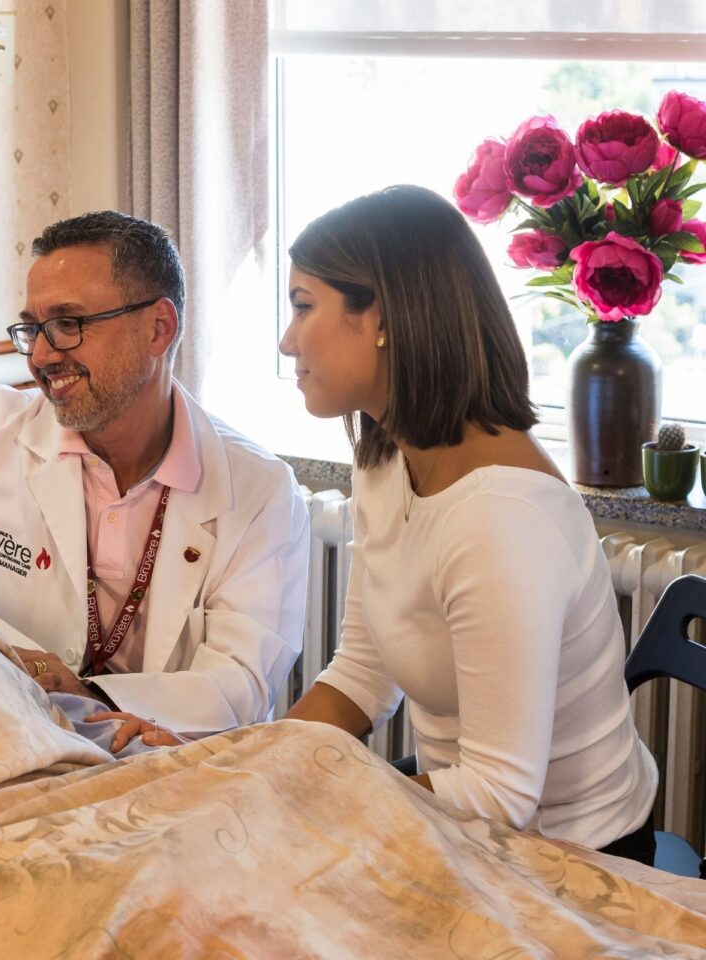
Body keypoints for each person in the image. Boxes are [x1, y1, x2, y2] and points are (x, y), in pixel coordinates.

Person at [0, 211, 309, 740]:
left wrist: (87, 694)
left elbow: (239, 684)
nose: (43, 356)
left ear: (158, 329)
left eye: (69, 324)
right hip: (20, 748)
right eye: (32, 329)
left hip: (167, 762)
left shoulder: (258, 492)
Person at [277, 184, 657, 863]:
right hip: (471, 824)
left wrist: (329, 799)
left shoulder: (500, 520)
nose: (286, 341)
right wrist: (247, 765)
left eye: (304, 306)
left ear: (382, 316)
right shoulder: (386, 454)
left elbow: (503, 792)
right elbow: (362, 675)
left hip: (577, 857)